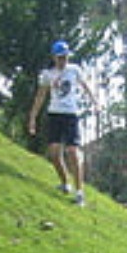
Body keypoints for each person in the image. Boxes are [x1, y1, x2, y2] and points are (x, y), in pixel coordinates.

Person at [27, 39, 94, 206]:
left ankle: (80, 193)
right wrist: (33, 117)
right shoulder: (47, 75)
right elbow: (41, 96)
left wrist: (94, 101)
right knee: (54, 154)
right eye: (59, 57)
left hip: (71, 115)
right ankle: (65, 183)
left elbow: (85, 86)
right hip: (54, 115)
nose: (63, 60)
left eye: (65, 57)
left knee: (72, 151)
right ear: (54, 58)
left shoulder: (74, 70)